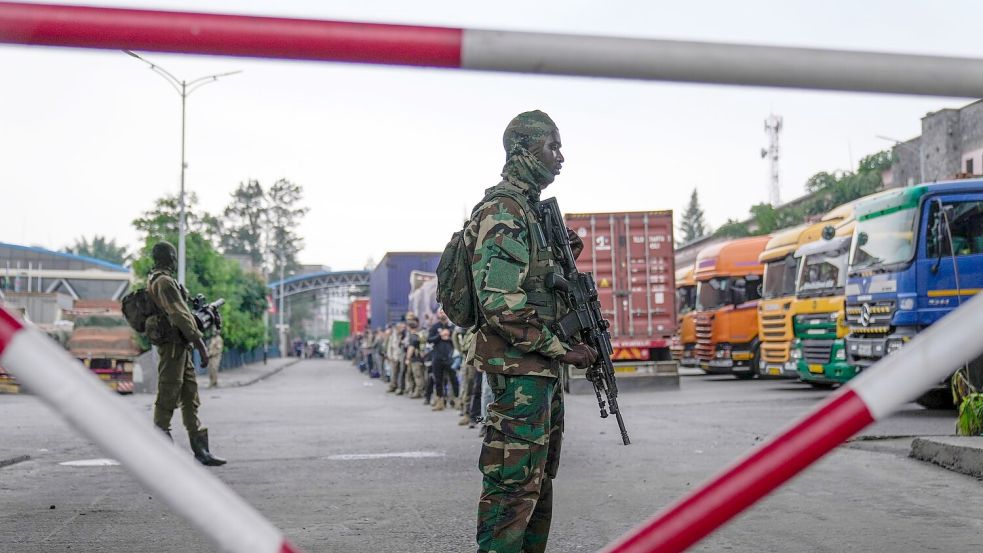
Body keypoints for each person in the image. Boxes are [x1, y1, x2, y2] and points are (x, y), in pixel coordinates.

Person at [465, 111, 596, 553]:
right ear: (522, 151)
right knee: (512, 487)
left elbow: (534, 288)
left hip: (537, 372)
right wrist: (562, 348)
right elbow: (500, 303)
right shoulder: (504, 210)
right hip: (518, 372)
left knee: (538, 481)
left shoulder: (533, 213)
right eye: (551, 146)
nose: (560, 157)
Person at [144, 241, 226, 467]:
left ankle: (201, 451)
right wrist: (200, 344)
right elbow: (180, 316)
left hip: (181, 347)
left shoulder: (161, 280)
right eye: (173, 255)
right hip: (172, 347)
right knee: (168, 392)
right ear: (167, 257)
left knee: (190, 395)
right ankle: (161, 449)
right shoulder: (163, 281)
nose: (174, 259)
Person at [427, 309, 458, 411]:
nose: (442, 314)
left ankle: (457, 401)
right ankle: (440, 402)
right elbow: (429, 339)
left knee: (454, 380)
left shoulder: (452, 327)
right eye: (440, 312)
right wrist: (439, 336)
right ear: (437, 314)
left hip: (450, 357)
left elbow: (457, 340)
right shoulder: (435, 327)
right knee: (438, 381)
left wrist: (448, 336)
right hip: (437, 358)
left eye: (444, 311)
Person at [403, 313, 428, 400]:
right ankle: (418, 390)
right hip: (420, 359)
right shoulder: (419, 336)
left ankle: (418, 392)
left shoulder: (412, 337)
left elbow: (411, 349)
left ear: (409, 328)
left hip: (415, 359)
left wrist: (407, 358)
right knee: (420, 375)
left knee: (417, 376)